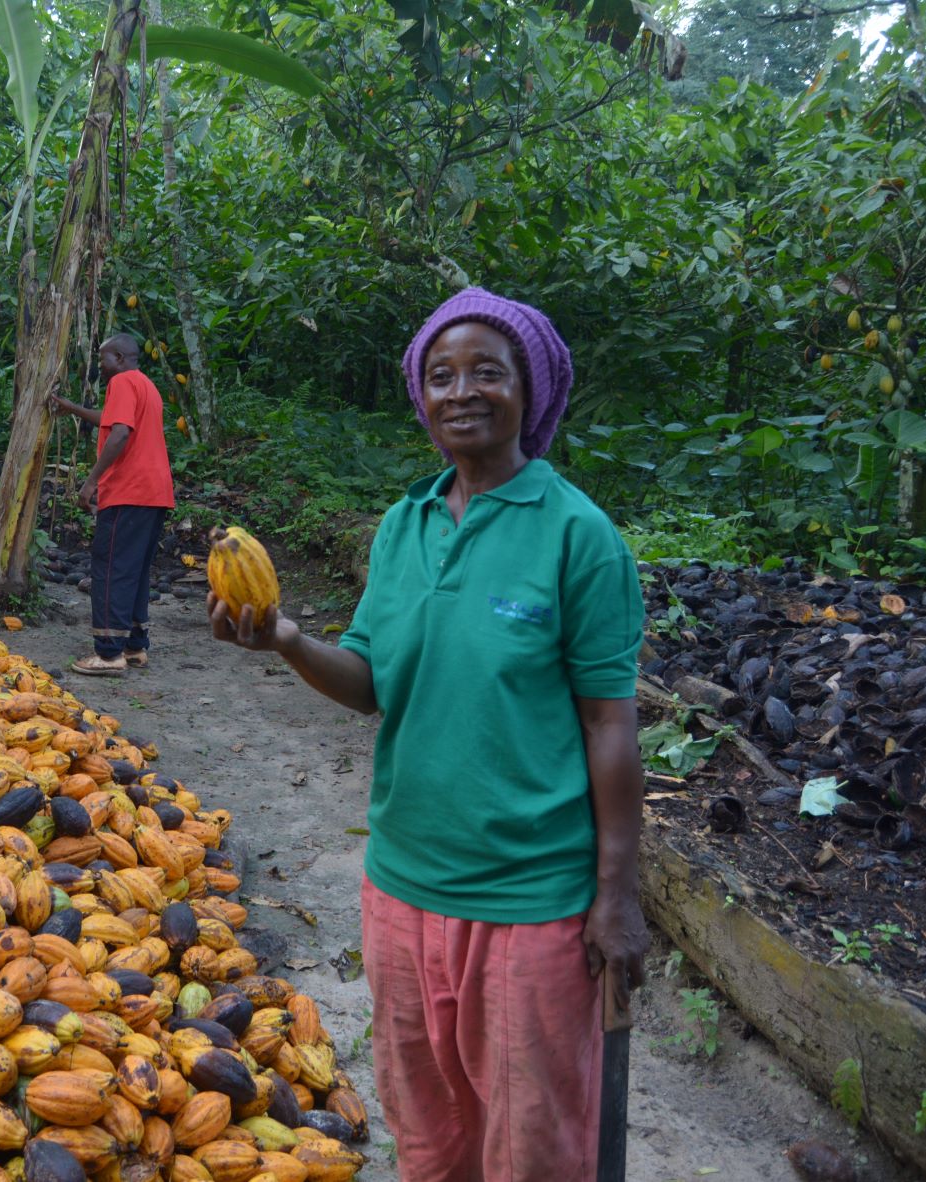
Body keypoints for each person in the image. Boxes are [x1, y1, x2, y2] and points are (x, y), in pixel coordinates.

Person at [207, 288, 649, 1181]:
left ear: (532, 389)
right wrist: (286, 639)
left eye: (488, 371)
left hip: (529, 903)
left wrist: (617, 894)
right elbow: (372, 683)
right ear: (419, 396)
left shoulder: (578, 537)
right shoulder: (402, 525)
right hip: (401, 888)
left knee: (532, 1144)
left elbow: (609, 726)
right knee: (429, 1130)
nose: (461, 392)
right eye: (440, 376)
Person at [49, 333, 175, 676]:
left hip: (129, 491)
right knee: (134, 569)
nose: (100, 367)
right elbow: (111, 418)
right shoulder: (145, 385)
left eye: (103, 360)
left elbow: (119, 432)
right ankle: (134, 646)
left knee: (110, 569)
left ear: (119, 358)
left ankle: (108, 654)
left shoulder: (120, 382)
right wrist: (72, 409)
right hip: (155, 491)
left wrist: (91, 482)